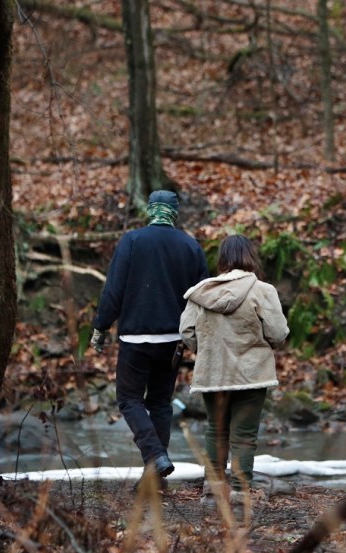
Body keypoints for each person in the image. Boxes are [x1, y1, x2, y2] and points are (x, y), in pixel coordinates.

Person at [90, 190, 208, 490]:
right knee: (160, 403)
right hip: (174, 340)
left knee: (129, 400)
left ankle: (155, 456)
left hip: (136, 338)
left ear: (149, 210)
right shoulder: (190, 246)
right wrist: (195, 336)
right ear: (175, 212)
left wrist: (101, 326)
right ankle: (154, 479)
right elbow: (201, 298)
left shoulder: (132, 241)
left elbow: (114, 289)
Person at [179, 235, 289, 509]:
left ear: (222, 259)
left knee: (216, 431)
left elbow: (186, 333)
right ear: (251, 257)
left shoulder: (201, 291)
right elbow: (278, 334)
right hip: (252, 375)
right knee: (244, 435)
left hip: (212, 375)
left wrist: (206, 350)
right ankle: (240, 496)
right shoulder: (263, 290)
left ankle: (213, 493)